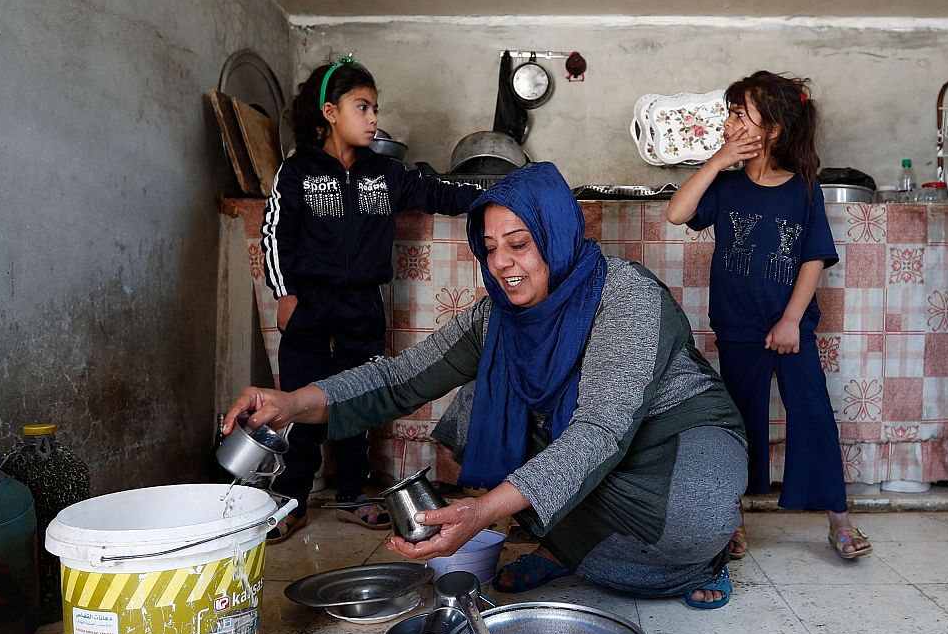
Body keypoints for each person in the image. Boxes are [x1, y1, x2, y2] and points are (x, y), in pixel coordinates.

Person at [227, 163, 748, 608]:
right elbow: (397, 378)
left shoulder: (623, 297)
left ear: (556, 235)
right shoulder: (495, 318)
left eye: (519, 244)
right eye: (490, 247)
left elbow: (599, 432)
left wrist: (483, 512)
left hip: (675, 440)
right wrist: (291, 402)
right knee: (482, 410)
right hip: (597, 453)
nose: (501, 263)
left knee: (694, 519)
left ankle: (705, 555)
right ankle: (562, 549)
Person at [260, 54, 480, 540]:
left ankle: (352, 492)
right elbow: (275, 233)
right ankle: (293, 497)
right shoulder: (296, 172)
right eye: (362, 107)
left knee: (357, 396)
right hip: (310, 303)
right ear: (329, 113)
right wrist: (285, 292)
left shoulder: (387, 173)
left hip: (362, 303)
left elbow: (440, 193)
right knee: (300, 398)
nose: (374, 119)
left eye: (375, 108)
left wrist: (497, 193)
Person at [664, 70, 872, 561]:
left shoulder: (802, 189)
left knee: (813, 414)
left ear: (772, 130)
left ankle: (838, 518)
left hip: (790, 328)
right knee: (739, 422)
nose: (730, 122)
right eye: (731, 113)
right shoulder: (728, 185)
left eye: (740, 114)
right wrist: (718, 160)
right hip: (737, 329)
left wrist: (791, 322)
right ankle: (730, 517)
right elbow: (677, 213)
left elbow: (813, 258)